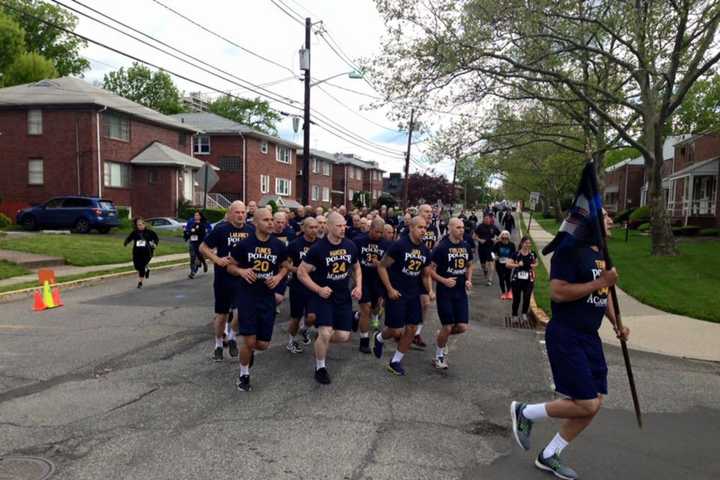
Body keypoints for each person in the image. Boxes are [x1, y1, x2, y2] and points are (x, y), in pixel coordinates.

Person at [510, 209, 629, 480]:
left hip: (590, 336)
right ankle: (525, 412)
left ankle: (550, 454)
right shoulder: (568, 250)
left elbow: (603, 292)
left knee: (595, 402)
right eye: (605, 215)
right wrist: (601, 281)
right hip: (566, 334)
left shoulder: (599, 251)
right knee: (586, 403)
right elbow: (558, 292)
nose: (611, 220)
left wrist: (616, 323)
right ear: (589, 222)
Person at [227, 208, 289, 392]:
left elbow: (285, 266)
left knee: (262, 344)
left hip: (267, 298)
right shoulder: (245, 244)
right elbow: (230, 266)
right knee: (249, 340)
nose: (270, 223)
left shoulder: (278, 245)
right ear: (255, 223)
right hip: (247, 296)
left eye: (272, 219)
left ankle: (250, 351)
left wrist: (278, 278)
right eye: (266, 220)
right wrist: (241, 271)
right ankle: (244, 375)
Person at [298, 212, 362, 385]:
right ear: (328, 226)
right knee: (325, 332)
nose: (343, 229)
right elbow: (301, 273)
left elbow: (356, 267)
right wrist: (318, 289)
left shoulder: (350, 245)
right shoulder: (318, 249)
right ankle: (320, 368)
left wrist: (359, 286)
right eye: (339, 226)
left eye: (344, 226)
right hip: (323, 297)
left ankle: (321, 339)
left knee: (342, 336)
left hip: (343, 296)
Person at [374, 216, 433, 376]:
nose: (423, 231)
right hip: (396, 292)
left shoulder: (424, 249)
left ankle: (395, 361)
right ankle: (379, 337)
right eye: (420, 227)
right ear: (412, 228)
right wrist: (390, 289)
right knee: (394, 331)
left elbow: (425, 274)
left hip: (413, 293)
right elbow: (381, 267)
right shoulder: (399, 245)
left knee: (412, 328)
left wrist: (430, 290)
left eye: (425, 228)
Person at [200, 201, 255, 362]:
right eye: (237, 212)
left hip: (243, 276)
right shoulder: (221, 229)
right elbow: (203, 248)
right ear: (230, 214)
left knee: (242, 311)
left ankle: (231, 337)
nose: (240, 215)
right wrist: (216, 259)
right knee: (222, 315)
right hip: (223, 277)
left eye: (243, 212)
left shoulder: (251, 230)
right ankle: (218, 344)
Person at [429, 217, 473, 369]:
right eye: (458, 227)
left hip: (460, 292)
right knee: (448, 326)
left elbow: (469, 265)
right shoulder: (441, 247)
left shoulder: (466, 246)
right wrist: (443, 280)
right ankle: (438, 357)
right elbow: (430, 270)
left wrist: (468, 279)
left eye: (462, 227)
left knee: (462, 327)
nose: (462, 230)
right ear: (450, 229)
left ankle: (441, 336)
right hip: (445, 292)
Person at [353, 218, 390, 353]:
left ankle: (355, 316)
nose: (379, 235)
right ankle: (364, 341)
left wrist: (380, 265)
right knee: (366, 309)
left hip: (378, 281)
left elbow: (389, 265)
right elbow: (353, 262)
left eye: (381, 232)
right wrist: (356, 283)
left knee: (375, 309)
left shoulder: (386, 244)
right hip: (363, 279)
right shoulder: (358, 241)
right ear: (370, 229)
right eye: (377, 232)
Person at [286, 217, 319, 353]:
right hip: (298, 286)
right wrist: (299, 271)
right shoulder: (295, 244)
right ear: (303, 228)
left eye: (316, 227)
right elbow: (286, 264)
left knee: (313, 316)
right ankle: (291, 341)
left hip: (315, 285)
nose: (314, 230)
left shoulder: (321, 244)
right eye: (311, 227)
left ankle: (304, 329)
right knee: (296, 316)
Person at [413, 204, 440, 348]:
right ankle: (405, 330)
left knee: (425, 303)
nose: (429, 214)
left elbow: (434, 245)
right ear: (419, 212)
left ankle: (416, 333)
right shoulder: (411, 228)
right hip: (411, 271)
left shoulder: (434, 228)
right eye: (426, 211)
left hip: (425, 269)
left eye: (431, 212)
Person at [506, 236, 538, 325]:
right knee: (517, 298)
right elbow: (507, 264)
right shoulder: (516, 254)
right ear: (521, 243)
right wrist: (517, 265)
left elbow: (536, 263)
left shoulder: (532, 254)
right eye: (526, 243)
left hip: (529, 279)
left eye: (529, 243)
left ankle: (524, 313)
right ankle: (514, 315)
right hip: (517, 279)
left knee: (527, 297)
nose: (528, 245)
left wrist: (533, 266)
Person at [123, 217, 159, 289]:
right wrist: (126, 242)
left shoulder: (150, 232)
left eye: (141, 224)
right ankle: (146, 268)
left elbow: (156, 239)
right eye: (138, 225)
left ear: (144, 224)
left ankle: (140, 282)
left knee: (141, 267)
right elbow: (129, 238)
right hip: (137, 252)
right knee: (137, 266)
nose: (140, 226)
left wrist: (154, 244)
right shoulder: (135, 232)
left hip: (147, 252)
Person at [475, 214, 500, 286]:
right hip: (482, 248)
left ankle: (490, 280)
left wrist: (496, 239)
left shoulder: (493, 227)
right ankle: (485, 270)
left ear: (490, 219)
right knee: (483, 264)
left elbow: (500, 235)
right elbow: (474, 236)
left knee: (491, 262)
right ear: (483, 219)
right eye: (485, 219)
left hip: (491, 248)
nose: (486, 220)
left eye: (488, 219)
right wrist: (479, 240)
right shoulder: (480, 226)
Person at [184, 211, 210, 279]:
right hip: (192, 242)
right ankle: (192, 272)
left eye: (197, 215)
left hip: (200, 243)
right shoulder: (192, 223)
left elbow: (204, 232)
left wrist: (195, 232)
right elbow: (188, 231)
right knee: (192, 257)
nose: (195, 216)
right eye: (195, 215)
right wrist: (187, 235)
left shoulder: (203, 224)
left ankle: (203, 263)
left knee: (198, 257)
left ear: (200, 216)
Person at [493, 230, 516, 300]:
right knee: (501, 278)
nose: (504, 240)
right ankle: (503, 293)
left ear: (508, 238)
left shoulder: (512, 245)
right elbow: (492, 252)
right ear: (501, 238)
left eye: (506, 238)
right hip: (499, 264)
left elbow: (514, 254)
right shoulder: (498, 244)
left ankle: (509, 292)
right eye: (503, 238)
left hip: (508, 264)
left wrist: (512, 260)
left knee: (507, 278)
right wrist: (495, 257)